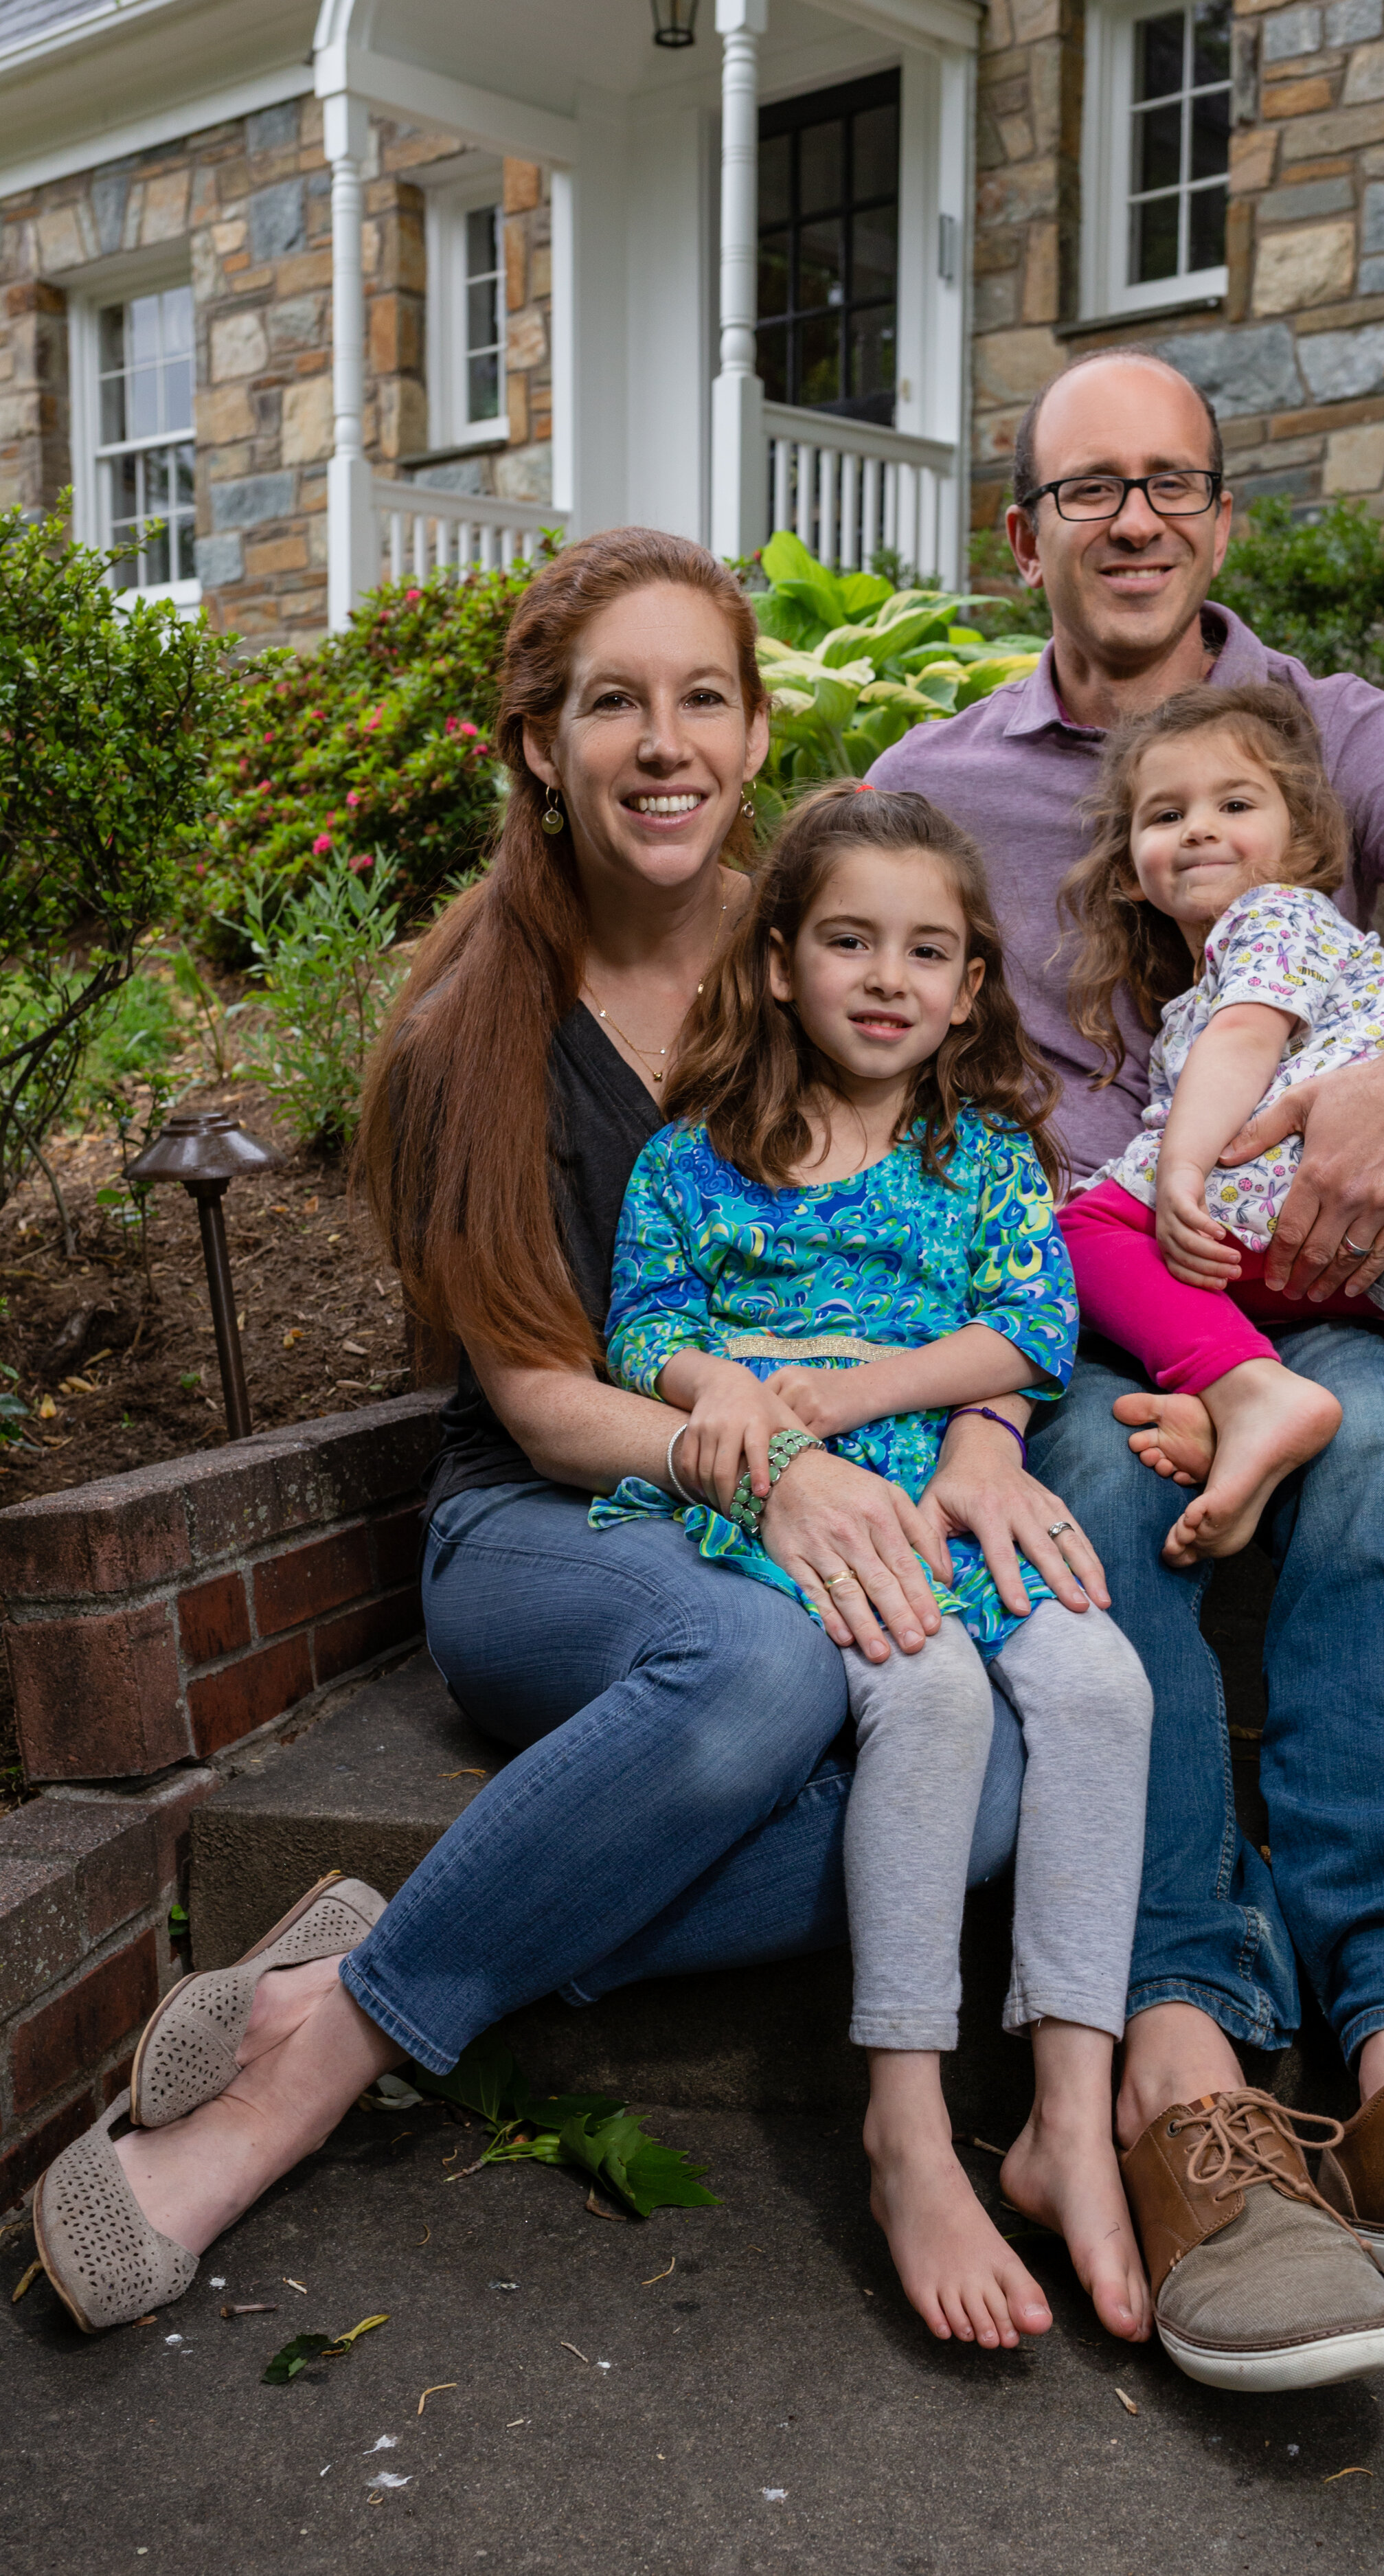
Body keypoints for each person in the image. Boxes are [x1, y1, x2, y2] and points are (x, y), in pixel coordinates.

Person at [29, 531, 1101, 2340]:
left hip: (825, 1475)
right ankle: (291, 2097)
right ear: (541, 743)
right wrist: (760, 1452)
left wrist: (983, 1423)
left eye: (701, 696)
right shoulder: (479, 1027)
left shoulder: (834, 941)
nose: (661, 741)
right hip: (554, 1511)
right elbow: (532, 1391)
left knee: (989, 1768)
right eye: (615, 701)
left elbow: (972, 1228)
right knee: (762, 1664)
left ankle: (357, 1974)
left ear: (758, 731)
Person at [868, 344, 1384, 2392]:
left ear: (1224, 517)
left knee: (1374, 1437)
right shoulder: (929, 773)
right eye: (1089, 489)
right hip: (1071, 1291)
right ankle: (1180, 2075)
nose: (1135, 517)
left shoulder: (1337, 733)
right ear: (1025, 535)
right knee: (1083, 1473)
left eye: (1173, 481)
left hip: (1303, 1270)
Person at [595, 782, 1156, 2353]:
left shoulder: (979, 1157)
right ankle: (905, 2121)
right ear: (777, 962)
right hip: (785, 1505)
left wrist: (863, 1389)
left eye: (929, 950)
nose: (889, 978)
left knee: (1103, 1689)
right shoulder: (693, 1162)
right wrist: (731, 1397)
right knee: (926, 1699)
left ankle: (1066, 2113)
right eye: (850, 940)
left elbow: (1030, 1331)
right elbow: (642, 1328)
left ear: (974, 983)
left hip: (941, 1482)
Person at [1058, 680, 1384, 1568]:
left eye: (1234, 803)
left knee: (1084, 1231)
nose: (1197, 827)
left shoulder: (1275, 918)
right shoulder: (1206, 981)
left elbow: (1243, 1039)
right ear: (1129, 870)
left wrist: (1182, 1171)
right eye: (1166, 814)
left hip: (1358, 1174)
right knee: (1167, 1272)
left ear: (1302, 845)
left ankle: (1246, 1390)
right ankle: (1225, 1404)